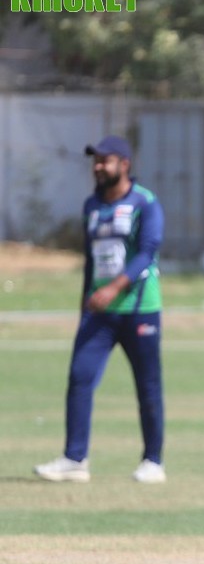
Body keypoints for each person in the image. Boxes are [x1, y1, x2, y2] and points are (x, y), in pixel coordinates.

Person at [35, 135, 166, 484]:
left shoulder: (145, 202)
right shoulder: (91, 206)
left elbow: (147, 253)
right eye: (95, 161)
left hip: (139, 309)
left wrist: (113, 288)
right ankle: (75, 459)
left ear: (124, 164)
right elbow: (92, 261)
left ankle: (153, 461)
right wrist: (85, 303)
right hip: (99, 313)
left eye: (105, 160)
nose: (97, 167)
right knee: (80, 377)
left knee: (147, 385)